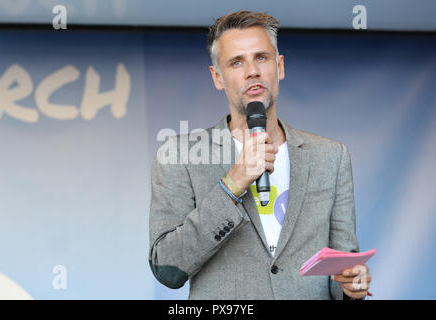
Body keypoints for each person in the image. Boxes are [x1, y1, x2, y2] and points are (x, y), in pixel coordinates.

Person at [149, 10, 372, 300]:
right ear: (218, 77)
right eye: (237, 62)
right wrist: (232, 183)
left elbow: (340, 270)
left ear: (279, 66)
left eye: (261, 58)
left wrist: (351, 288)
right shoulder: (179, 156)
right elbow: (168, 268)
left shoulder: (331, 156)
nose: (252, 70)